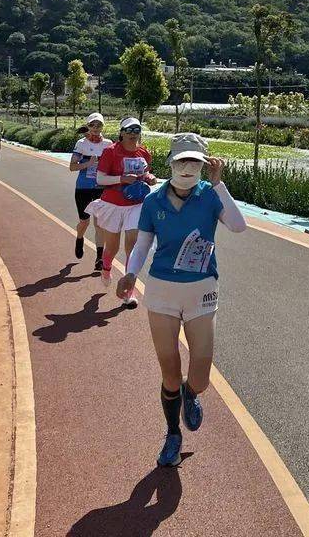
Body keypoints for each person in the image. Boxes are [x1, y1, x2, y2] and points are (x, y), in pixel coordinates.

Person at [116, 132, 246, 467]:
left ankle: (192, 394)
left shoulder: (210, 196)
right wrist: (131, 273)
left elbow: (238, 226)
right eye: (182, 160)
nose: (187, 167)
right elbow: (143, 244)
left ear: (205, 165)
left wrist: (219, 185)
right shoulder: (153, 201)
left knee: (200, 374)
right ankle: (173, 433)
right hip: (161, 290)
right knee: (170, 370)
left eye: (195, 162)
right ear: (171, 162)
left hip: (202, 289)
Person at [88, 117, 157, 300]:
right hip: (113, 205)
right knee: (112, 247)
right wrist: (121, 179)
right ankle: (106, 268)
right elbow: (100, 179)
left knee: (132, 246)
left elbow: (145, 172)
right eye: (129, 130)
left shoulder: (144, 153)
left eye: (137, 130)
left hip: (135, 204)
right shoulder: (111, 151)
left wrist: (148, 177)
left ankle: (129, 292)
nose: (133, 134)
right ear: (122, 132)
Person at [69, 113, 113, 268]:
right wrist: (88, 164)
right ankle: (79, 238)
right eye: (92, 125)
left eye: (98, 125)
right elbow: (72, 167)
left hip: (101, 188)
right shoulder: (81, 143)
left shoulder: (108, 144)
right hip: (83, 188)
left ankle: (99, 258)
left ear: (102, 127)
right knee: (84, 222)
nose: (95, 128)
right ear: (88, 126)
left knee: (100, 224)